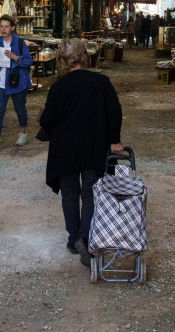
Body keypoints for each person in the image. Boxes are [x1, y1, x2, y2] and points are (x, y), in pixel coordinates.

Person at [37, 39, 123, 267]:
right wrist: (114, 140)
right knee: (90, 192)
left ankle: (73, 238)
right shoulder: (101, 82)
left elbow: (48, 120)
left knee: (70, 193)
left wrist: (41, 116)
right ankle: (86, 237)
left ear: (62, 61)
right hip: (93, 145)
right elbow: (114, 110)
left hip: (64, 149)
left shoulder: (58, 87)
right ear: (85, 57)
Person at [0, 15, 33, 152]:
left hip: (17, 82)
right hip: (0, 83)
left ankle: (23, 132)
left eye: (6, 26)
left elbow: (28, 61)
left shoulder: (19, 42)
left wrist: (15, 57)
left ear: (12, 28)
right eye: (1, 26)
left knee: (20, 109)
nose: (3, 29)